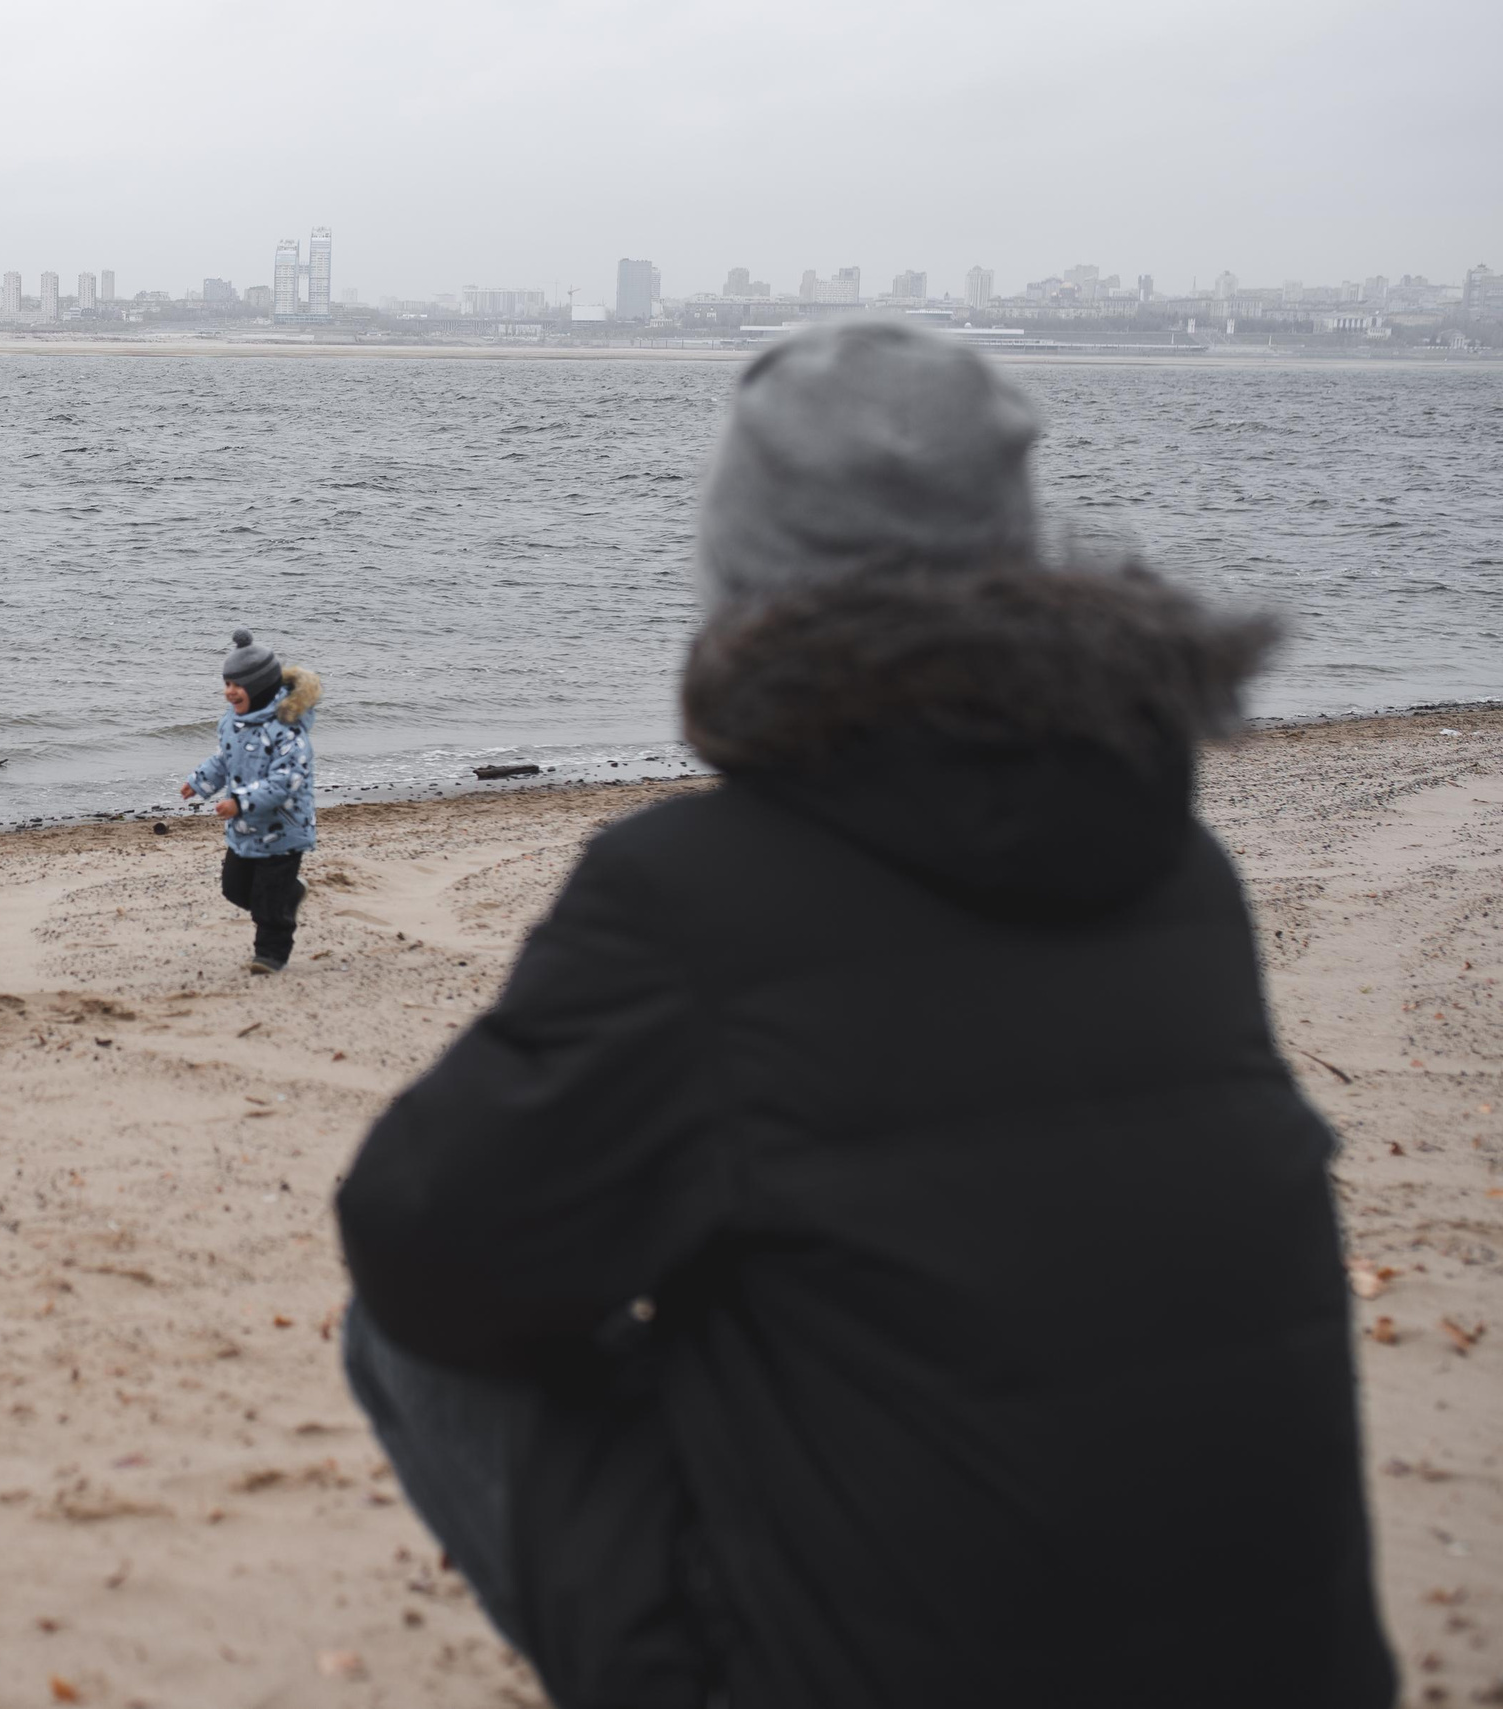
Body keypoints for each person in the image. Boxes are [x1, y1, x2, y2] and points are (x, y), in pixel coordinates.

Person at [334, 322, 1394, 1709]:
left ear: (744, 578)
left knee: (410, 1328)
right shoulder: (1179, 870)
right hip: (1288, 1670)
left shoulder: (693, 893)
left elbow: (419, 1242)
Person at [180, 629, 321, 973]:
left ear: (259, 686)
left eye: (237, 684)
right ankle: (290, 893)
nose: (229, 692)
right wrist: (199, 782)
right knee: (235, 888)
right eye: (227, 683)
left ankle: (271, 955)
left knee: (269, 902)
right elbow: (224, 760)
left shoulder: (286, 728)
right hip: (244, 829)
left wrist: (239, 802)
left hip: (284, 831)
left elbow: (286, 781)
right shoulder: (232, 723)